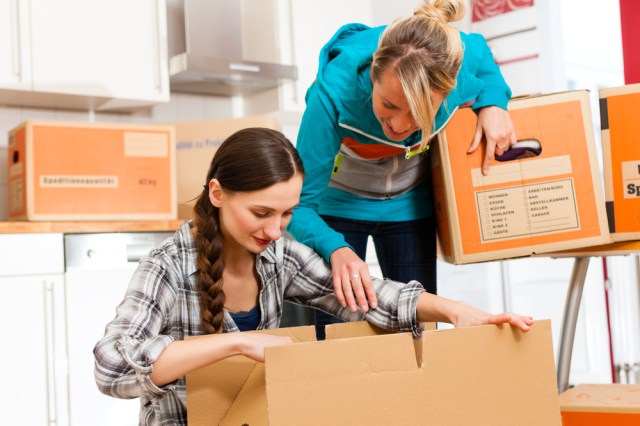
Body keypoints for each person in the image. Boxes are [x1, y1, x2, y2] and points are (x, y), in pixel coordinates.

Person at [94, 127, 531, 425]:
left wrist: (454, 311)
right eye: (260, 213)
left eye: (286, 213)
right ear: (217, 193)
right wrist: (237, 343)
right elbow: (111, 365)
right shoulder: (168, 264)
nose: (274, 230)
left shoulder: (278, 256)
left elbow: (366, 296)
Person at [287, 0, 517, 339]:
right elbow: (299, 204)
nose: (399, 125)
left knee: (416, 330)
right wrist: (334, 247)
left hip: (409, 205)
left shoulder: (458, 65)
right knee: (337, 332)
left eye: (419, 112)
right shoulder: (332, 95)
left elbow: (482, 54)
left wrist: (495, 102)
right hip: (337, 207)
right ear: (373, 75)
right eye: (389, 105)